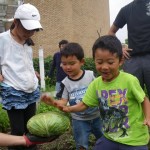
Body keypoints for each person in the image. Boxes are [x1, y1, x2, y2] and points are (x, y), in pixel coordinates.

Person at [43, 35, 150, 150]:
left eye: (110, 62)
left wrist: (148, 117)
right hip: (111, 137)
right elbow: (84, 104)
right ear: (94, 60)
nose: (104, 67)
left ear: (120, 61)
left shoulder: (129, 80)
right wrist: (68, 109)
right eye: (99, 62)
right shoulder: (96, 84)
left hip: (134, 139)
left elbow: (143, 99)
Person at [42, 43, 103, 150]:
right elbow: (63, 102)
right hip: (79, 120)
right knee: (81, 145)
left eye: (72, 63)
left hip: (97, 117)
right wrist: (52, 102)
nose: (68, 67)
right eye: (64, 64)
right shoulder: (65, 83)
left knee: (104, 140)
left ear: (82, 62)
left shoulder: (90, 75)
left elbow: (101, 91)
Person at [0, 3, 42, 150]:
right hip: (13, 90)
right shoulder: (3, 39)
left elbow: (24, 63)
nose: (30, 33)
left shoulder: (27, 43)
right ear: (16, 22)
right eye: (27, 28)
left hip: (30, 90)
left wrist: (33, 72)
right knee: (18, 131)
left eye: (33, 30)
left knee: (31, 128)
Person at [108, 0, 150, 98]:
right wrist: (120, 48)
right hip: (132, 59)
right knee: (132, 97)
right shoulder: (126, 10)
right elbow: (111, 32)